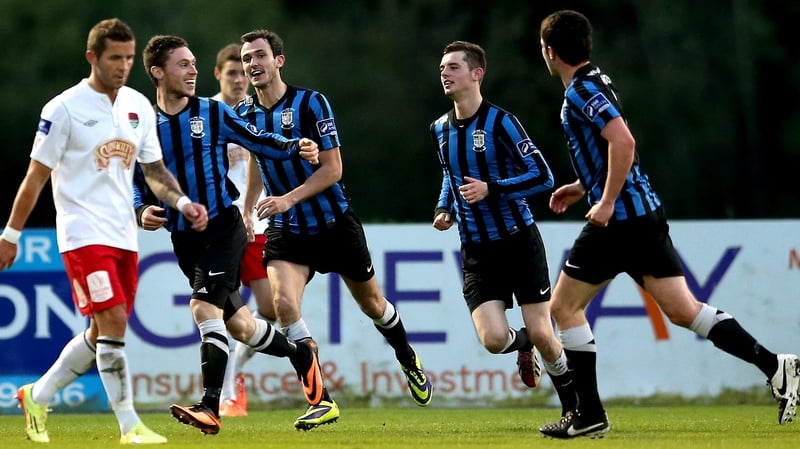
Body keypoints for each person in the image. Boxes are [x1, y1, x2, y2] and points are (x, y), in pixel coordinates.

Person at [537, 9, 800, 438]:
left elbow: (624, 141)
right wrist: (582, 186)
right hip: (643, 214)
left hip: (619, 221)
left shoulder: (581, 92)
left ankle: (589, 416)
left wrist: (603, 202)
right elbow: (614, 148)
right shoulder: (597, 80)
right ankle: (776, 366)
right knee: (684, 311)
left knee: (563, 308)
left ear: (549, 52)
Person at [0, 18, 209, 445]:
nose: (123, 66)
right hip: (81, 233)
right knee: (113, 322)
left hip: (122, 235)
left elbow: (153, 170)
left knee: (102, 333)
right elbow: (35, 177)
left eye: (129, 58)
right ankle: (130, 426)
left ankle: (36, 395)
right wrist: (11, 234)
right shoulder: (63, 108)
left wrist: (182, 202)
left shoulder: (136, 106)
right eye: (115, 58)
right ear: (92, 57)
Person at [236, 29, 434, 427]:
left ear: (279, 61)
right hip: (287, 229)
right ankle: (320, 399)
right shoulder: (245, 114)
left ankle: (407, 357)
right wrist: (247, 209)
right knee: (284, 306)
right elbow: (258, 160)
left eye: (259, 56)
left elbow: (334, 169)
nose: (252, 64)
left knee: (373, 305)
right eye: (246, 59)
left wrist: (288, 197)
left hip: (333, 223)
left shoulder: (311, 103)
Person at [138, 34, 326, 435]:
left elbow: (261, 141)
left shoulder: (212, 113)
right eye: (182, 64)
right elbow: (140, 178)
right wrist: (141, 210)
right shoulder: (144, 124)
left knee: (202, 309)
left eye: (193, 63)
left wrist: (297, 146)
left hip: (224, 227)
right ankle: (300, 355)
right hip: (183, 237)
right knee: (240, 326)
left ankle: (210, 406)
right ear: (158, 72)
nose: (192, 71)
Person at [430, 40, 574, 404]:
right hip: (477, 248)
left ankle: (576, 404)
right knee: (493, 340)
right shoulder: (439, 129)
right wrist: (443, 207)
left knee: (545, 332)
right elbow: (450, 173)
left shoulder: (502, 122)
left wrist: (491, 189)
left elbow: (542, 176)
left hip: (517, 239)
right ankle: (522, 345)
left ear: (477, 74)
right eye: (443, 67)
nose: (444, 73)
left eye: (453, 67)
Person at [211, 43, 276, 418]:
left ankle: (233, 378)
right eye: (232, 72)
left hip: (256, 222)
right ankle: (226, 390)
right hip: (220, 225)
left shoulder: (257, 114)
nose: (239, 78)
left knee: (269, 308)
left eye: (243, 72)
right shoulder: (205, 113)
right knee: (219, 307)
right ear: (218, 74)